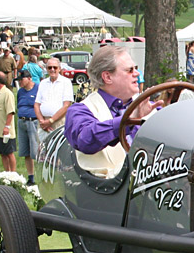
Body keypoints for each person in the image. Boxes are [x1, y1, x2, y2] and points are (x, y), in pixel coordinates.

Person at [64, 46, 156, 178]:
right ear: (107, 77)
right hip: (107, 192)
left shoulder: (149, 107)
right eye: (130, 70)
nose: (137, 73)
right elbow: (85, 139)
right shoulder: (80, 110)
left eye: (135, 68)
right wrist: (126, 121)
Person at [34, 57, 72, 140]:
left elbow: (66, 105)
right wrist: (42, 122)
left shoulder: (66, 82)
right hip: (43, 122)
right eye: (49, 67)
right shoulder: (43, 83)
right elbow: (37, 104)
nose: (52, 69)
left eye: (55, 67)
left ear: (59, 69)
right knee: (42, 150)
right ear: (46, 69)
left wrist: (51, 121)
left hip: (59, 122)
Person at [15, 69, 40, 184]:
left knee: (35, 151)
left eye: (22, 79)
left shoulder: (38, 89)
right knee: (26, 152)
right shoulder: (20, 91)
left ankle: (40, 175)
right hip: (22, 122)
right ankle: (31, 177)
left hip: (33, 121)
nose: (20, 82)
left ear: (29, 78)